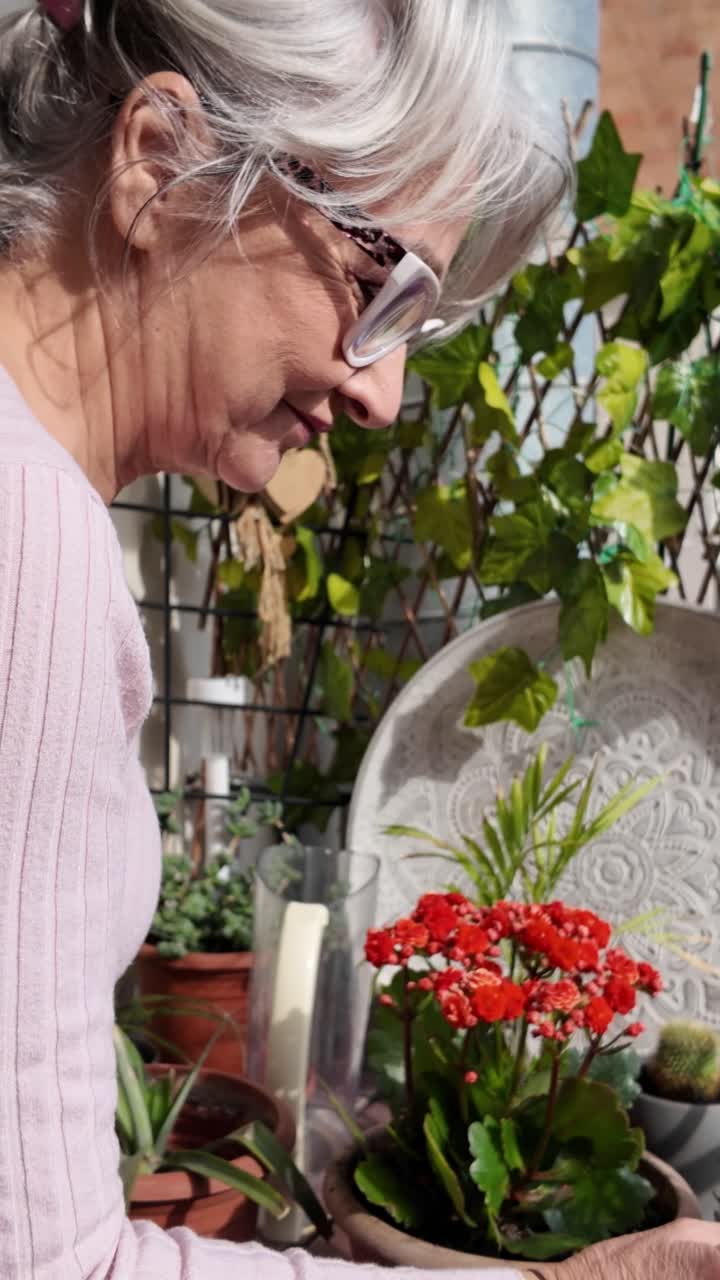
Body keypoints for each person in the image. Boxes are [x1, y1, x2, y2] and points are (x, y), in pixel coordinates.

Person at [0, 0, 718, 1277]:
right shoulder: (30, 554)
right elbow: (53, 1262)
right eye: (383, 284)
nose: (382, 394)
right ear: (161, 156)